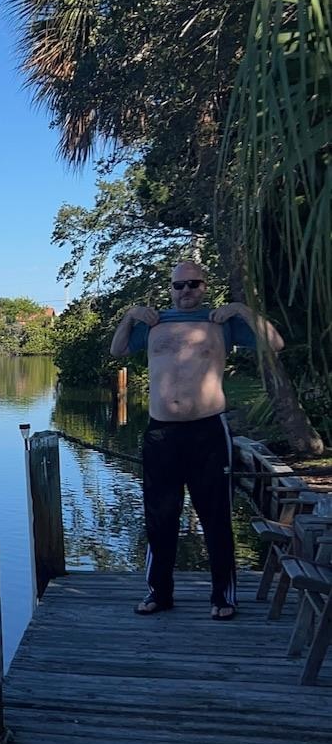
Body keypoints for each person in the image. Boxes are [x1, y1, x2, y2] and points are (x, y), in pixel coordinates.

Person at [114, 262, 294, 617]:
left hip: (208, 432)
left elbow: (276, 343)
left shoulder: (221, 323)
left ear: (205, 286)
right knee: (160, 517)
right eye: (179, 285)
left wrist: (242, 309)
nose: (186, 291)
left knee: (215, 517)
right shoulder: (153, 324)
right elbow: (118, 350)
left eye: (193, 284)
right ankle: (159, 593)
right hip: (161, 433)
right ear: (170, 288)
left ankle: (223, 596)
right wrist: (130, 315)